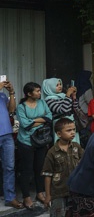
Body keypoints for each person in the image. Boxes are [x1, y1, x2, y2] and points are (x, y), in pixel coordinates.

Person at [16, 81, 53, 209]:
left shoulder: (42, 103)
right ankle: (26, 197)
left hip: (41, 140)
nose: (39, 93)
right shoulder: (21, 107)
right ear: (28, 93)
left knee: (40, 168)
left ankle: (40, 193)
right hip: (26, 142)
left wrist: (33, 121)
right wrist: (40, 120)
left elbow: (49, 117)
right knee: (27, 170)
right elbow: (25, 125)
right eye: (37, 91)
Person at [41, 117, 84, 217]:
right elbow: (47, 175)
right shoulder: (52, 152)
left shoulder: (76, 147)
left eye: (74, 129)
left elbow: (84, 164)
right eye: (69, 130)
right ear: (59, 134)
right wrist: (48, 195)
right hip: (58, 192)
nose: (72, 132)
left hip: (76, 190)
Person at [0, 77, 22, 209]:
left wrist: (12, 93)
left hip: (7, 135)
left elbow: (11, 110)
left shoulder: (2, 95)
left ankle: (10, 197)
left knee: (9, 167)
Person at [42, 77, 81, 144]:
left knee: (74, 144)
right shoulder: (49, 100)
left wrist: (74, 97)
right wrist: (68, 95)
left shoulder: (63, 96)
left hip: (71, 123)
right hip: (60, 124)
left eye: (60, 84)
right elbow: (63, 110)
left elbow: (75, 107)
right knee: (63, 143)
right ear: (50, 87)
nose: (60, 86)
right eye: (57, 85)